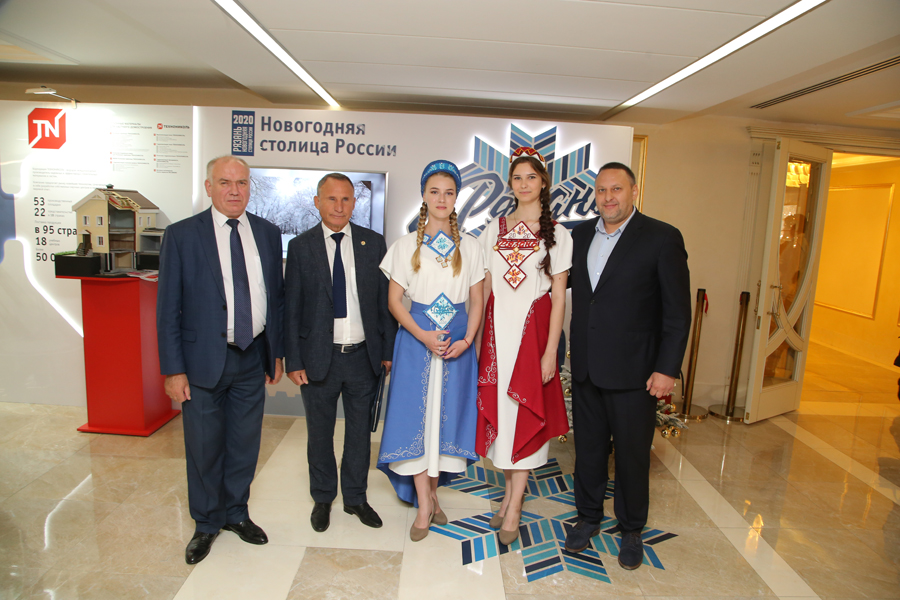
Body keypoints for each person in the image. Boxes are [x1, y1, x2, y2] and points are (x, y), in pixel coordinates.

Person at [157, 155, 285, 565]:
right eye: (225, 182)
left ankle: (236, 513)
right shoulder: (182, 235)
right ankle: (206, 522)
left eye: (242, 183)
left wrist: (276, 353)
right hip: (202, 362)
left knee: (244, 444)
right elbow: (168, 308)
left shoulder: (267, 233)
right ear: (209, 187)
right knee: (204, 446)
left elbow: (275, 299)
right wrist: (173, 369)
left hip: (252, 356)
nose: (234, 190)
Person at [566, 161, 691, 570]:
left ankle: (632, 528)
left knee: (633, 456)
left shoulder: (662, 237)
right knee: (588, 452)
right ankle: (587, 517)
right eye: (602, 190)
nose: (608, 198)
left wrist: (667, 369)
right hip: (587, 368)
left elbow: (677, 313)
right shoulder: (579, 235)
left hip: (636, 373)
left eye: (616, 189)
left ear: (634, 191)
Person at [377, 160, 484, 542]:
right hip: (415, 343)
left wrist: (466, 341)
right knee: (416, 423)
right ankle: (424, 504)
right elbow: (394, 301)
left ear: (456, 198)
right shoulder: (405, 245)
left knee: (444, 424)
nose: (441, 199)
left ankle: (433, 495)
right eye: (434, 191)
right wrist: (423, 335)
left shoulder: (471, 246)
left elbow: (477, 300)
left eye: (449, 192)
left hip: (457, 346)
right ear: (423, 195)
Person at [284, 173, 396, 534]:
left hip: (363, 357)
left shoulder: (373, 243)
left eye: (346, 199)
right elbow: (291, 308)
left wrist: (388, 351)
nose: (339, 206)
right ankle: (322, 498)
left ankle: (355, 498)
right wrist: (293, 359)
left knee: (360, 434)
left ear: (354, 203)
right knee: (319, 434)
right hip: (318, 358)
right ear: (317, 202)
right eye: (331, 199)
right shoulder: (301, 247)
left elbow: (384, 303)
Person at [475, 147, 572, 546]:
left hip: (533, 339)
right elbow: (483, 289)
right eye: (518, 177)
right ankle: (508, 495)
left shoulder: (559, 234)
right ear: (510, 183)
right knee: (503, 418)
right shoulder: (492, 230)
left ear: (543, 182)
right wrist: (478, 341)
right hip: (498, 336)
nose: (524, 184)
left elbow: (559, 298)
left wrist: (550, 352)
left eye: (531, 176)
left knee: (525, 415)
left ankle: (514, 504)